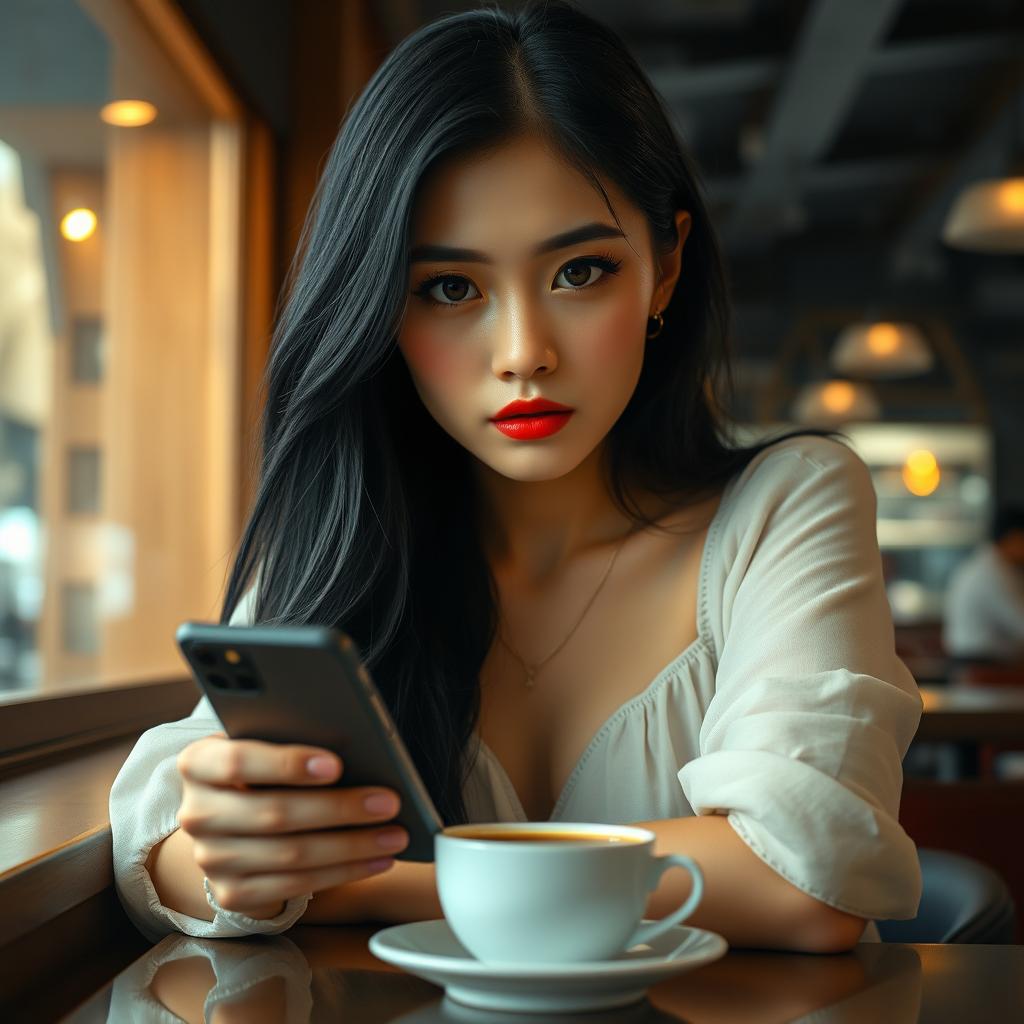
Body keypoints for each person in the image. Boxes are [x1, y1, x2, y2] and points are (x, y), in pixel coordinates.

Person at [110, 0, 923, 952]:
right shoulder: (349, 531)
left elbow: (804, 884)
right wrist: (226, 843)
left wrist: (373, 883)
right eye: (450, 288)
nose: (523, 353)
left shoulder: (787, 503)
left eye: (580, 272)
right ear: (380, 308)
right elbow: (164, 842)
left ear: (665, 269)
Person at [943, 506, 1024, 662]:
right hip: (981, 666)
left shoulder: (988, 564)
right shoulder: (993, 572)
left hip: (976, 661)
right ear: (1013, 538)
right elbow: (1019, 622)